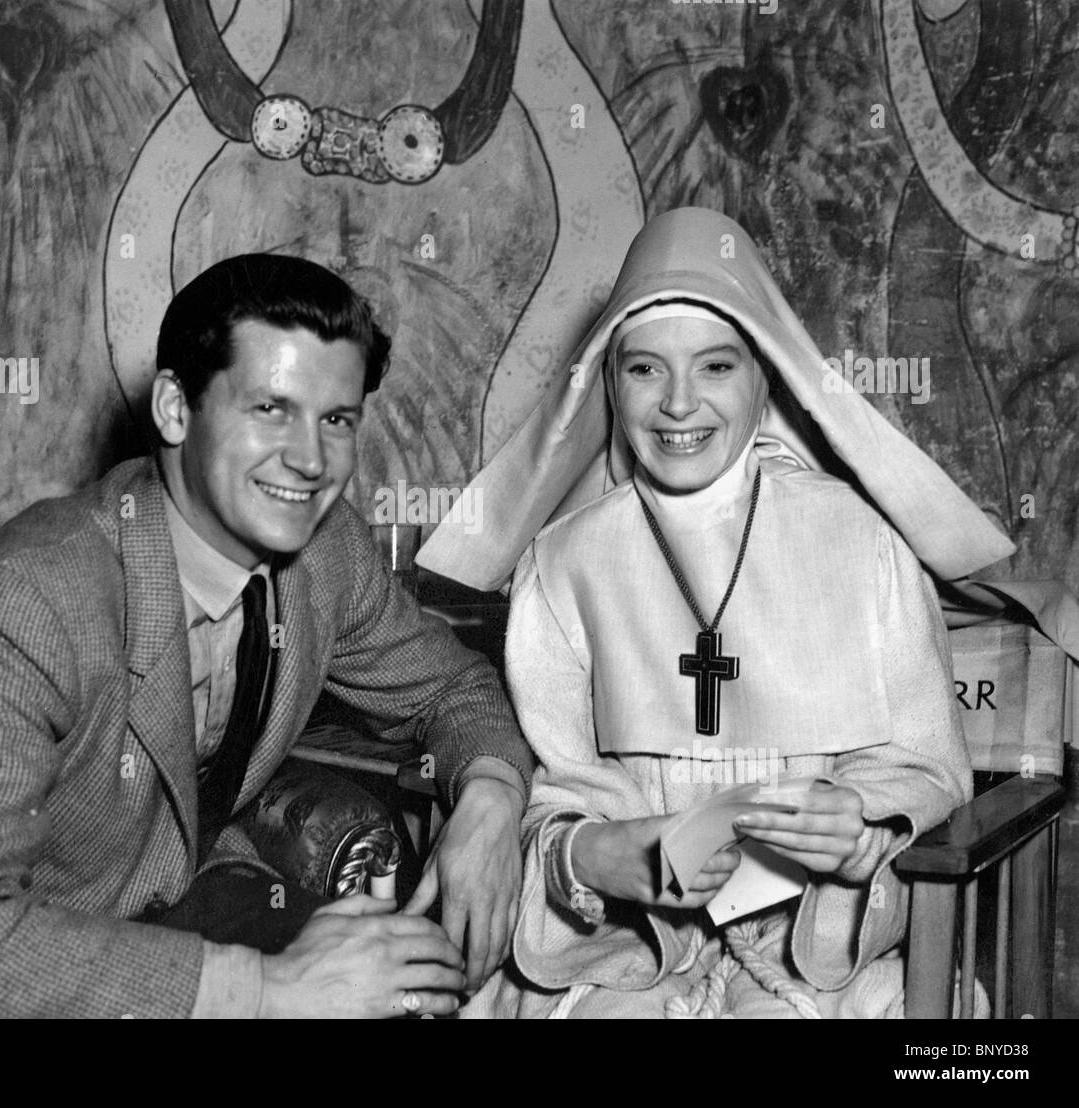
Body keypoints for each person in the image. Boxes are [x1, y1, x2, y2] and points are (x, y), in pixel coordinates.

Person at [0, 254, 533, 1018]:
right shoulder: (29, 597)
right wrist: (266, 990)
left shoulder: (326, 555)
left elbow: (456, 686)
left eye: (336, 420)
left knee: (417, 993)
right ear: (175, 409)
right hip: (30, 957)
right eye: (270, 410)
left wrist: (489, 797)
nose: (312, 461)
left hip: (190, 897)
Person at [417, 207, 1019, 1018]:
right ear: (608, 380)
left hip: (814, 953)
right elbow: (561, 791)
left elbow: (925, 771)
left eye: (715, 367)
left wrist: (862, 830)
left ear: (764, 375)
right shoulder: (562, 564)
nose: (676, 405)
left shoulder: (864, 544)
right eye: (643, 370)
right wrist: (594, 853)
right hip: (631, 946)